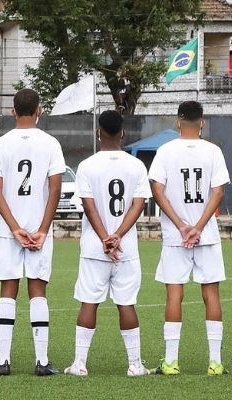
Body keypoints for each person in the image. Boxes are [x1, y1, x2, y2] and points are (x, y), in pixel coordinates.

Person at [64, 110, 150, 377]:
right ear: (123, 133)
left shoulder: (87, 166)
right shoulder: (136, 166)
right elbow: (139, 205)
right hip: (125, 249)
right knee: (127, 304)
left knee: (88, 303)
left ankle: (79, 363)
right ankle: (135, 365)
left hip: (94, 248)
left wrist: (104, 238)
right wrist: (118, 237)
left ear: (97, 132)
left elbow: (89, 207)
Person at [0, 89, 63, 377]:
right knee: (38, 290)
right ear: (40, 110)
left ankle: (3, 362)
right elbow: (55, 188)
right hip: (39, 231)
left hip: (10, 232)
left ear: (12, 111)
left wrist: (14, 228)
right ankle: (41, 362)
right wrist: (42, 230)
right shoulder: (51, 144)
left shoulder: (0, 145)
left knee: (8, 289)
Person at [150, 100, 229, 376]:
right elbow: (218, 193)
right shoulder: (213, 151)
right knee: (211, 294)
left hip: (176, 236)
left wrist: (182, 226)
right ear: (203, 122)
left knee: (174, 294)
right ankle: (215, 363)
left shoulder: (165, 151)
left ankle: (171, 363)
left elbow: (157, 191)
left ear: (177, 121)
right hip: (205, 234)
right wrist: (198, 226)